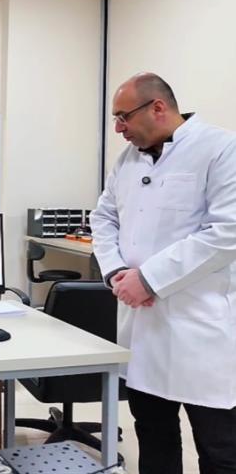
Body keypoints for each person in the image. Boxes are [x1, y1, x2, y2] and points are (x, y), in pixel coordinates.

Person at [91, 73, 236, 474]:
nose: (118, 128)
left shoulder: (221, 148)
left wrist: (149, 279)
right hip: (143, 329)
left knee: (220, 450)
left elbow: (227, 232)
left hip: (201, 330)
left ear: (157, 107)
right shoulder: (128, 159)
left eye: (123, 117)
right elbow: (103, 217)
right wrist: (117, 271)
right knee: (154, 438)